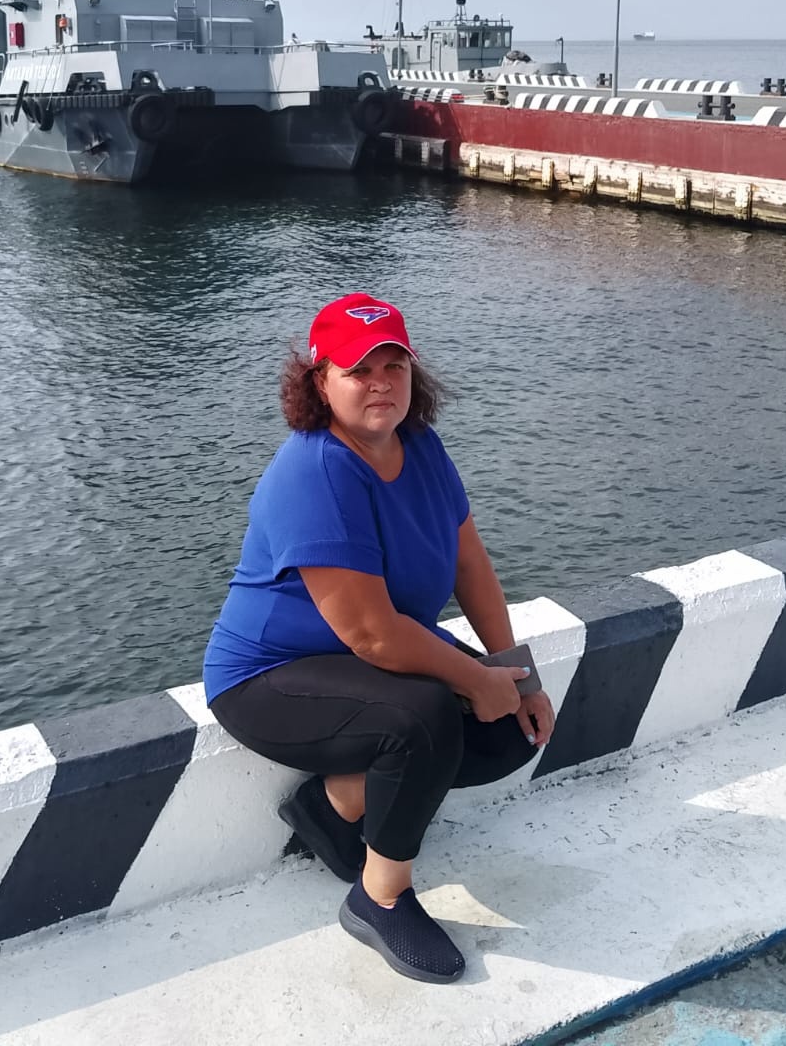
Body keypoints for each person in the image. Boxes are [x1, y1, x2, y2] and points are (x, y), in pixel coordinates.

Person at [202, 294, 556, 984]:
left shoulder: (421, 448)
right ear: (319, 382)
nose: (381, 383)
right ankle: (380, 897)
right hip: (270, 678)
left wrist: (514, 673)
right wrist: (473, 678)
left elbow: (470, 565)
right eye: (359, 370)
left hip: (367, 662)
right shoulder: (315, 471)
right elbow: (370, 634)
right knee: (423, 718)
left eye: (394, 366)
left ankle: (334, 808)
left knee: (511, 729)